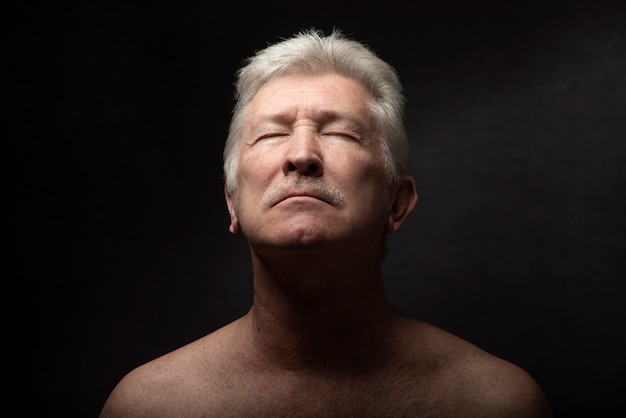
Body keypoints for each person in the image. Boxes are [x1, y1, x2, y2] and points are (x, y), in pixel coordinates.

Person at [99, 28, 553, 417]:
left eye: (339, 132)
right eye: (273, 133)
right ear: (233, 202)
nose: (301, 156)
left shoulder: (496, 404)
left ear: (397, 202)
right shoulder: (150, 406)